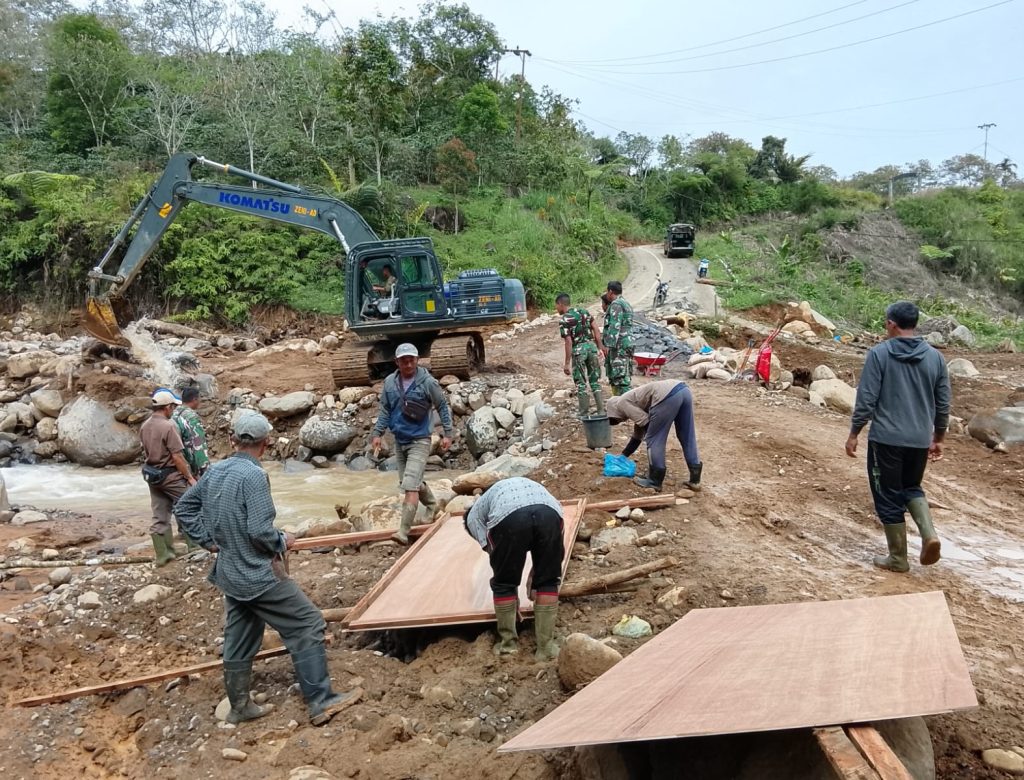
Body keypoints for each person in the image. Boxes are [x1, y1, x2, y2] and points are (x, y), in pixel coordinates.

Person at [175, 413, 359, 726]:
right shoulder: (255, 477)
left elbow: (183, 508)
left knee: (240, 636)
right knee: (308, 624)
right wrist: (282, 539)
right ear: (266, 444)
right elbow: (260, 531)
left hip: (230, 572)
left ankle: (239, 706)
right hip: (257, 573)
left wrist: (208, 541)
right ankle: (321, 701)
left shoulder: (215, 471)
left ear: (233, 440)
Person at [846, 301, 950, 573]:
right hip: (918, 439)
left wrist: (855, 432)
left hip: (887, 440)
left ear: (892, 323)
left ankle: (898, 558)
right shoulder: (935, 358)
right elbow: (943, 403)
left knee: (887, 495)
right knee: (911, 487)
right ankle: (929, 535)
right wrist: (938, 437)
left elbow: (867, 399)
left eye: (885, 321)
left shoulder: (879, 354)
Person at [463, 477, 565, 660]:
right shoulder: (521, 488)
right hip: (549, 513)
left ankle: (508, 646)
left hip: (509, 518)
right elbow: (557, 547)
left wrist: (509, 591)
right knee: (548, 581)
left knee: (503, 583)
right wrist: (538, 573)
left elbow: (491, 551)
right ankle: (546, 649)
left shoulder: (472, 516)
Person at [371, 343, 453, 544]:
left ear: (417, 360)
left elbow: (442, 405)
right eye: (404, 360)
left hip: (420, 440)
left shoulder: (428, 382)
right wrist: (377, 433)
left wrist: (447, 434)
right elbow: (385, 410)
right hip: (400, 440)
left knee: (410, 487)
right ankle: (433, 505)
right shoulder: (390, 383)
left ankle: (403, 532)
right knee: (409, 482)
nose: (408, 363)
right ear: (396, 362)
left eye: (411, 359)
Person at [605, 379, 702, 491]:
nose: (621, 421)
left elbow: (646, 424)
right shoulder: (636, 401)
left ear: (614, 410)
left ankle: (654, 480)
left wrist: (653, 435)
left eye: (617, 419)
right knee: (686, 435)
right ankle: (695, 480)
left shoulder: (621, 403)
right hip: (683, 390)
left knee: (654, 439)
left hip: (667, 395)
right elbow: (637, 436)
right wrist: (623, 456)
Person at [140, 388, 197, 566]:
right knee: (190, 505)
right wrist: (189, 477)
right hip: (170, 475)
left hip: (153, 475)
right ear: (167, 407)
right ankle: (195, 546)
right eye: (173, 407)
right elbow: (177, 457)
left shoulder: (145, 425)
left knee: (159, 514)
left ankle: (164, 554)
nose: (173, 410)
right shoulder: (169, 426)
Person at [555, 293, 605, 418]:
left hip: (579, 350)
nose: (556, 309)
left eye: (556, 306)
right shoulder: (584, 312)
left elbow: (568, 341)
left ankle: (583, 413)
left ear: (561, 304)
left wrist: (567, 363)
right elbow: (596, 329)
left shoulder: (565, 319)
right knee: (595, 381)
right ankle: (601, 411)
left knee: (581, 383)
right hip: (592, 348)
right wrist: (599, 348)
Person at [602, 281, 634, 396]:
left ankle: (628, 406)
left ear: (610, 291)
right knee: (621, 375)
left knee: (620, 379)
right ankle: (618, 403)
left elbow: (614, 327)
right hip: (626, 344)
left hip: (619, 346)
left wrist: (607, 346)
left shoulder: (616, 304)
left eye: (607, 291)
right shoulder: (626, 303)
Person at [173, 387, 210, 478]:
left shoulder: (174, 413)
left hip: (176, 464)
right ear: (195, 399)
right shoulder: (192, 417)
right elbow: (198, 444)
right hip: (189, 465)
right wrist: (205, 468)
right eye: (199, 399)